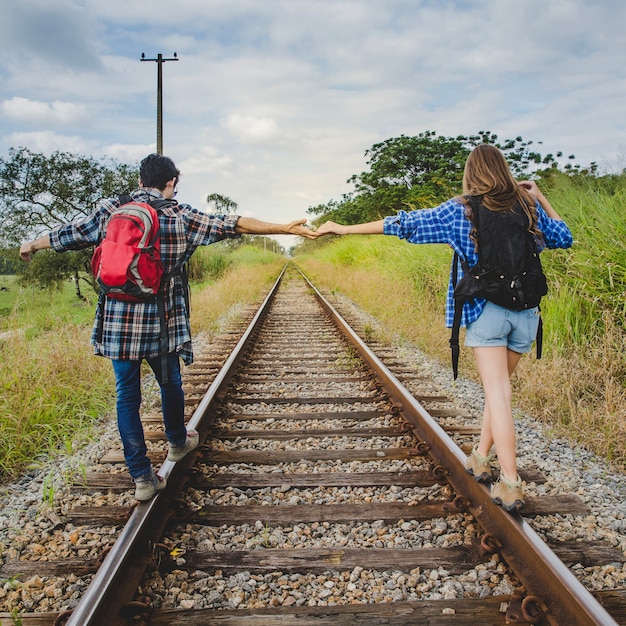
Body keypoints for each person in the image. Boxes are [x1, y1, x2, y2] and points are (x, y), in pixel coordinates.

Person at [20, 153, 318, 501]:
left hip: (118, 324)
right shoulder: (180, 216)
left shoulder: (112, 211)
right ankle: (177, 441)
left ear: (141, 179)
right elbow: (233, 223)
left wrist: (32, 244)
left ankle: (142, 478)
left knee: (126, 396)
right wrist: (285, 228)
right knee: (169, 382)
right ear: (171, 182)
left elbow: (69, 235)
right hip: (161, 324)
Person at [316, 144, 573, 512]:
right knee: (497, 392)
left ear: (472, 173)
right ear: (504, 170)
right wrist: (541, 196)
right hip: (526, 315)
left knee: (498, 395)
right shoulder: (527, 207)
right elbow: (564, 236)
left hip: (488, 312)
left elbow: (404, 223)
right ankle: (481, 458)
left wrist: (342, 229)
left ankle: (512, 483)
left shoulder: (462, 209)